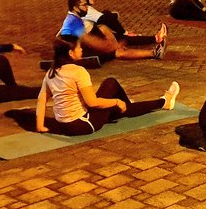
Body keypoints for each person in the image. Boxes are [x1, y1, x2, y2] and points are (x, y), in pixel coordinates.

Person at [35, 36, 180, 136]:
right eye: (79, 47)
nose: (81, 50)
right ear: (70, 53)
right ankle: (163, 102)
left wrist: (40, 126)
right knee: (114, 88)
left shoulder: (51, 72)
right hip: (84, 124)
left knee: (116, 98)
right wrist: (116, 101)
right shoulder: (78, 72)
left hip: (64, 125)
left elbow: (42, 100)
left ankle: (141, 105)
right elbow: (92, 102)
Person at [61, 0, 165, 61]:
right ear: (75, 8)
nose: (87, 8)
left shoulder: (75, 18)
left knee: (111, 34)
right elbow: (93, 42)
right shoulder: (73, 23)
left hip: (81, 49)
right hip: (77, 56)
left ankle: (155, 43)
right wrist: (112, 45)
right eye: (84, 5)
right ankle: (154, 53)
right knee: (118, 51)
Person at [73, 0, 167, 47]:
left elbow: (104, 18)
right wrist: (124, 32)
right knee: (122, 38)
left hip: (91, 33)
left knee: (108, 17)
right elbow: (107, 19)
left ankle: (135, 36)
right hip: (91, 37)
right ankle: (156, 38)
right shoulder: (87, 10)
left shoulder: (85, 9)